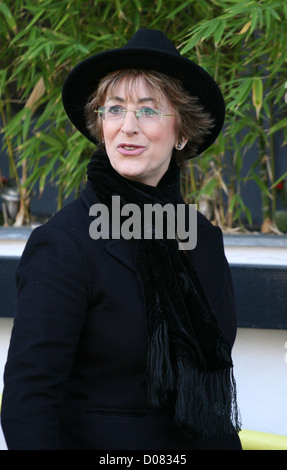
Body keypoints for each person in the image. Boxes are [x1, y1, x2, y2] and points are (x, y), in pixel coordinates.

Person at [1, 28, 242, 450]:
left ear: (182, 133)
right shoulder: (63, 244)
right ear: (101, 126)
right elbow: (28, 405)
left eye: (148, 111)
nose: (127, 127)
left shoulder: (202, 240)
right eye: (114, 109)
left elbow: (213, 409)